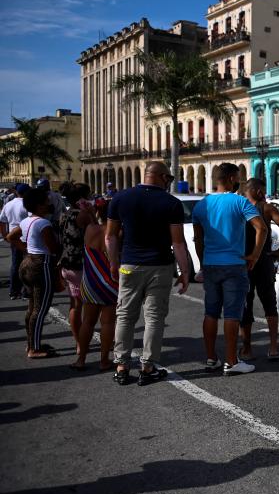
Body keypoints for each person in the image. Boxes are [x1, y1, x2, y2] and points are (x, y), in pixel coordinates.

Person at [106, 161, 190, 386]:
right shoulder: (171, 203)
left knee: (125, 315)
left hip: (128, 265)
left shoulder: (120, 199)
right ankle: (147, 367)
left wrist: (113, 263)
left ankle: (122, 366)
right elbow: (178, 243)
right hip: (160, 266)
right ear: (162, 177)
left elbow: (110, 236)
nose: (169, 183)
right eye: (169, 179)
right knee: (154, 318)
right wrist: (185, 272)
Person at [192, 163, 268, 376]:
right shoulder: (240, 201)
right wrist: (255, 255)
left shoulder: (202, 205)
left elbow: (198, 238)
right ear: (232, 178)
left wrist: (202, 260)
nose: (240, 181)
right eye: (238, 177)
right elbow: (261, 228)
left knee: (211, 313)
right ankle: (232, 361)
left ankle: (210, 359)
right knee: (232, 314)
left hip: (210, 264)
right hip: (234, 264)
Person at [239, 178, 279, 361]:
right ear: (254, 190)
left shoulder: (239, 206)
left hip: (245, 262)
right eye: (262, 190)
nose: (264, 193)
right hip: (263, 261)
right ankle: (273, 347)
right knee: (269, 303)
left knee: (245, 304)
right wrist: (278, 252)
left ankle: (247, 349)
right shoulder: (267, 208)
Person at [6, 188, 61, 358]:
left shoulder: (26, 221)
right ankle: (34, 349)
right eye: (46, 201)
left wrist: (28, 249)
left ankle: (31, 342)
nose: (49, 203)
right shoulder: (43, 223)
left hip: (27, 262)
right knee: (40, 308)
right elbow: (53, 248)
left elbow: (10, 237)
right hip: (41, 264)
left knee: (31, 307)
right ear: (39, 205)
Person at [73, 198, 118, 371]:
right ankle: (104, 360)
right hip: (110, 283)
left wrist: (91, 210)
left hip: (90, 281)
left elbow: (87, 220)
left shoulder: (90, 229)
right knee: (107, 323)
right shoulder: (117, 232)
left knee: (87, 322)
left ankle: (81, 359)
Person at [58, 183, 94, 355]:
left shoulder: (64, 214)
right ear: (82, 198)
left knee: (75, 304)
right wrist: (93, 213)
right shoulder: (83, 216)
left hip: (67, 263)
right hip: (81, 265)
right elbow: (97, 231)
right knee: (89, 306)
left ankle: (78, 343)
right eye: (89, 195)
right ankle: (84, 342)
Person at [0, 183, 30, 299]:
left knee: (15, 264)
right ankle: (26, 291)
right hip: (26, 237)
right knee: (27, 265)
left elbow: (2, 221)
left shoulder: (9, 204)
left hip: (13, 237)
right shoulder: (27, 204)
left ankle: (13, 291)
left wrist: (5, 235)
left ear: (16, 192)